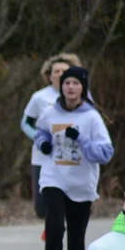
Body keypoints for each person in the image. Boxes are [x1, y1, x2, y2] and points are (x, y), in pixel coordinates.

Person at [33, 66, 113, 250]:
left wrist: (81, 139)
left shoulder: (91, 117)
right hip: (53, 177)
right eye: (66, 82)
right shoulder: (50, 113)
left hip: (81, 183)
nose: (70, 87)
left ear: (83, 88)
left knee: (76, 235)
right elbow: (40, 133)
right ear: (61, 86)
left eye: (75, 83)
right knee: (55, 226)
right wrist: (43, 144)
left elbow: (105, 153)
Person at [20, 53, 83, 221]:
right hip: (43, 157)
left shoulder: (80, 97)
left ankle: (59, 235)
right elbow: (25, 123)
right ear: (49, 76)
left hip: (70, 157)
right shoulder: (40, 97)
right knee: (41, 209)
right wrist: (40, 140)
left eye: (65, 70)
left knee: (68, 202)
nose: (61, 74)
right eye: (56, 71)